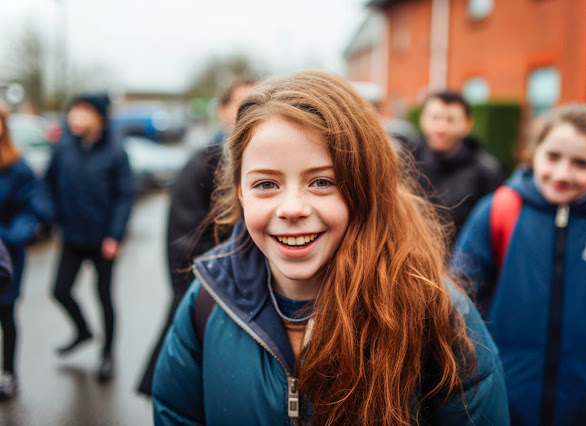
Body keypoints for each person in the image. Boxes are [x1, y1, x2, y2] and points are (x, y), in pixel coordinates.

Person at [152, 70, 509, 424]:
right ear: (241, 192)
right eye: (266, 184)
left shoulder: (434, 312)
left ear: (364, 187)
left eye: (322, 181)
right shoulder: (207, 301)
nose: (292, 208)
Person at [452, 104, 586, 425]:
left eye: (581, 163)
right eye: (553, 157)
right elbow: (461, 295)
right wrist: (483, 362)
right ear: (533, 153)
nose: (563, 174)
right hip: (507, 396)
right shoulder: (499, 209)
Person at [136, 79, 255, 396]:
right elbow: (183, 239)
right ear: (222, 111)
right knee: (184, 371)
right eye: (242, 104)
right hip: (212, 283)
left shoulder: (262, 160)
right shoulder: (203, 164)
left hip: (245, 291)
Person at [45, 94, 135, 382]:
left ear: (100, 117)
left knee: (104, 298)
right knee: (59, 290)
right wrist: (54, 218)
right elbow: (47, 185)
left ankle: (107, 355)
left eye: (83, 112)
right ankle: (83, 331)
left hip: (103, 240)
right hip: (72, 236)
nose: (75, 117)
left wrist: (115, 235)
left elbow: (124, 196)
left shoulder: (115, 151)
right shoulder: (64, 147)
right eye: (73, 111)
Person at [0, 108, 52, 399]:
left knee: (6, 314)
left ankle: (8, 372)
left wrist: (7, 237)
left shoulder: (17, 166)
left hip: (5, 256)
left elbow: (32, 211)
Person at [415, 91, 506, 237]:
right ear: (422, 119)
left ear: (467, 124)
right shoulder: (408, 162)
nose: (441, 128)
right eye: (434, 118)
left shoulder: (487, 172)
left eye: (450, 120)